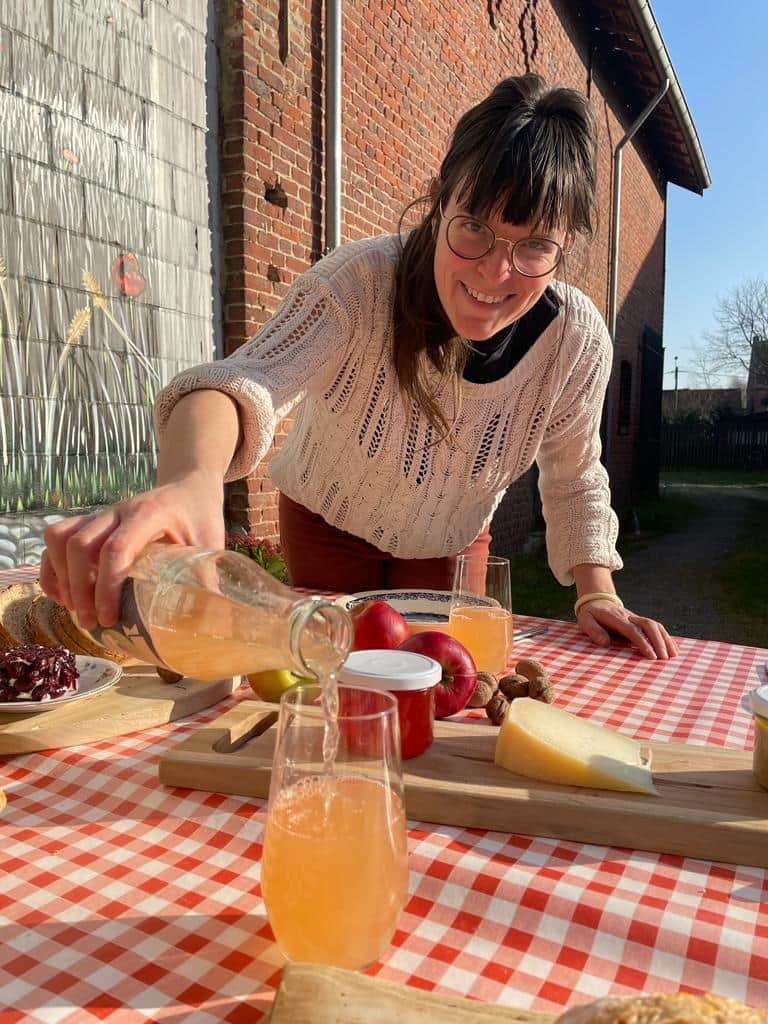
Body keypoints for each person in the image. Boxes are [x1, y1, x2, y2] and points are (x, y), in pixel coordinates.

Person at [42, 73, 678, 660]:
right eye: (475, 228)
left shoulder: (577, 342)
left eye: (535, 244)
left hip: (450, 547)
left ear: (564, 247)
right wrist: (191, 481)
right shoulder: (358, 284)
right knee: (332, 678)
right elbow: (246, 381)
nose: (496, 271)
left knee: (444, 689)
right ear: (438, 201)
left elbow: (574, 474)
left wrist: (598, 591)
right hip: (329, 525)